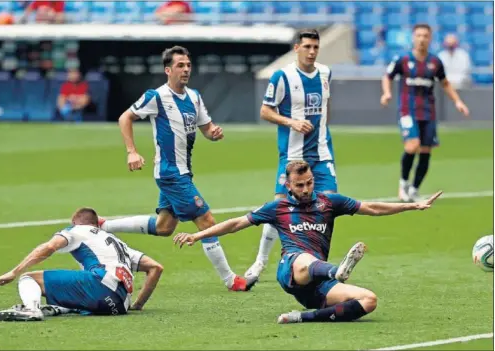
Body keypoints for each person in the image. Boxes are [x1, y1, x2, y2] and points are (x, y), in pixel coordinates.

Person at [173, 160, 443, 324]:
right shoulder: (276, 208)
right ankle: (336, 270)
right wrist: (197, 235)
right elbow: (235, 224)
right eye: (299, 185)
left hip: (316, 287)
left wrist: (411, 206)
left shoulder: (329, 202)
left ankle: (302, 317)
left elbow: (372, 207)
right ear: (288, 185)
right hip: (292, 269)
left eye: (309, 183)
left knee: (369, 300)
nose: (305, 189)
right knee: (303, 259)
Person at [99, 46, 251, 292]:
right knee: (207, 220)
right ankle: (230, 279)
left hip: (183, 171)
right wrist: (132, 151)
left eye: (188, 65)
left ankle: (104, 225)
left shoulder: (194, 97)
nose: (186, 69)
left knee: (164, 227)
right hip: (171, 173)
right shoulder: (156, 96)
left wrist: (214, 134)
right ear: (168, 70)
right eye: (180, 65)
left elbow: (207, 128)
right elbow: (125, 117)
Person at [244, 28, 337, 285]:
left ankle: (315, 260)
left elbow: (327, 106)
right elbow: (265, 111)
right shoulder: (282, 76)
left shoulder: (326, 73)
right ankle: (260, 261)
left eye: (315, 47)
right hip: (292, 156)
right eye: (306, 46)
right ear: (296, 48)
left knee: (327, 206)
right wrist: (292, 122)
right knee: (279, 205)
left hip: (321, 154)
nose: (311, 51)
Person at [0, 208, 163, 321]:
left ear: (74, 220)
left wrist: (14, 271)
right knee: (78, 284)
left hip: (100, 285)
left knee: (29, 278)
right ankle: (59, 308)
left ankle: (31, 309)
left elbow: (50, 247)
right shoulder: (118, 244)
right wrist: (138, 305)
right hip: (119, 305)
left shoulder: (76, 230)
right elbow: (156, 267)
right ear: (97, 223)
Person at [381, 24, 470, 202]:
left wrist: (458, 101)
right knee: (412, 146)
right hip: (407, 111)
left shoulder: (435, 62)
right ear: (413, 38)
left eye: (425, 36)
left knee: (425, 151)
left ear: (430, 39)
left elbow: (445, 83)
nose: (421, 39)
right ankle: (403, 184)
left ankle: (414, 188)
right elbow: (388, 76)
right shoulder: (403, 60)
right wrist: (387, 92)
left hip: (428, 112)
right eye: (418, 35)